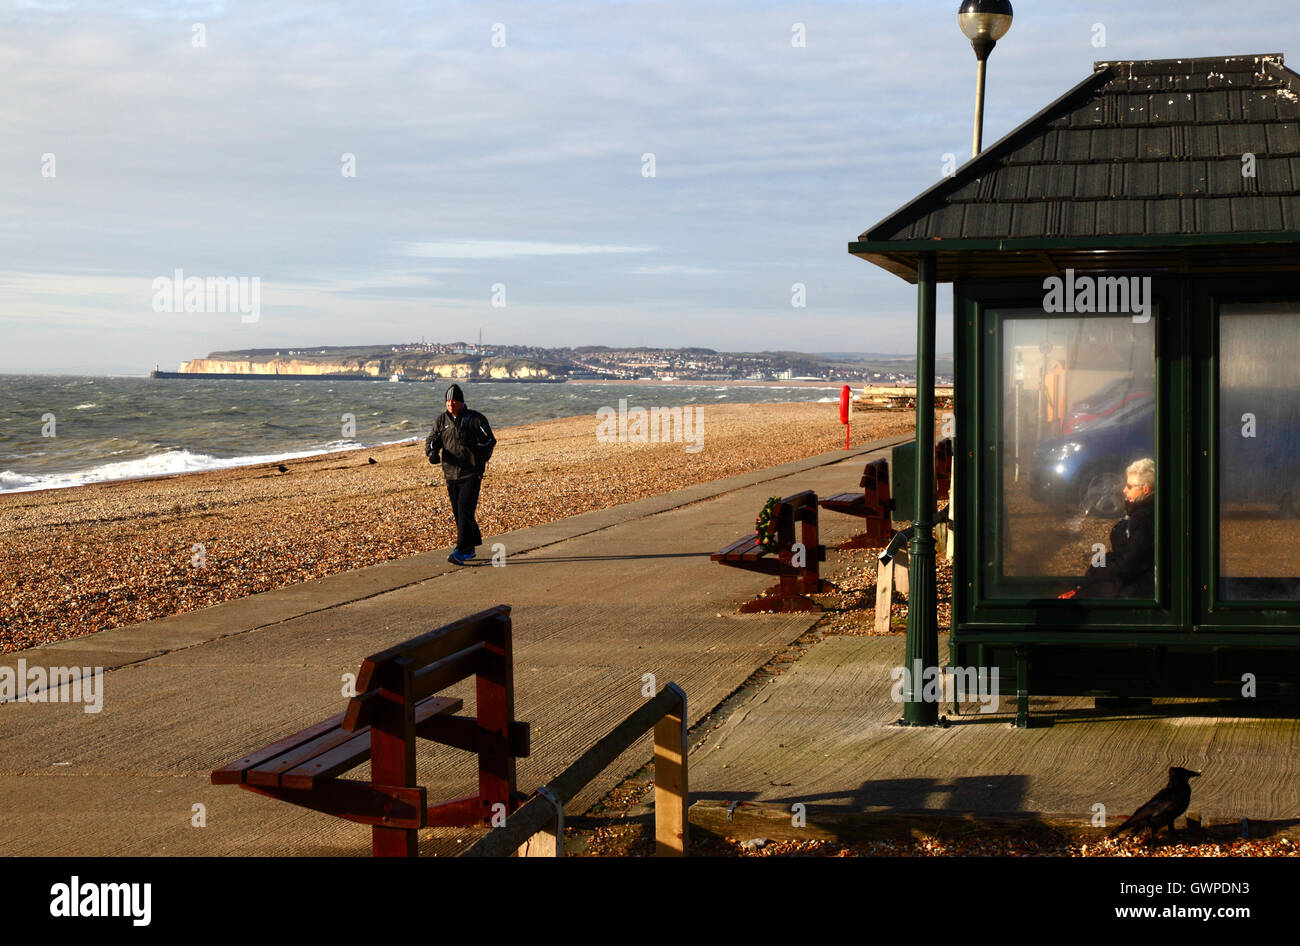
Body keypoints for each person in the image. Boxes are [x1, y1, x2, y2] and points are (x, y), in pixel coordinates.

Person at [1059, 457, 1155, 599]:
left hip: (1136, 590)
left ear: (1145, 489)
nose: (1124, 490)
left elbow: (1129, 563)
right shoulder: (1139, 512)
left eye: (1129, 486)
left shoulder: (1144, 518)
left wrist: (1097, 572)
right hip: (1128, 582)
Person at [425, 384, 495, 565]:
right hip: (450, 472)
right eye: (447, 401)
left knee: (464, 508)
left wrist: (476, 454)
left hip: (471, 472)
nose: (450, 404)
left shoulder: (476, 419)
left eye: (453, 400)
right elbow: (432, 440)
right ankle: (470, 547)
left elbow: (489, 441)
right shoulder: (442, 421)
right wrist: (432, 454)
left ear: (461, 401)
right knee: (459, 511)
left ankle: (461, 550)